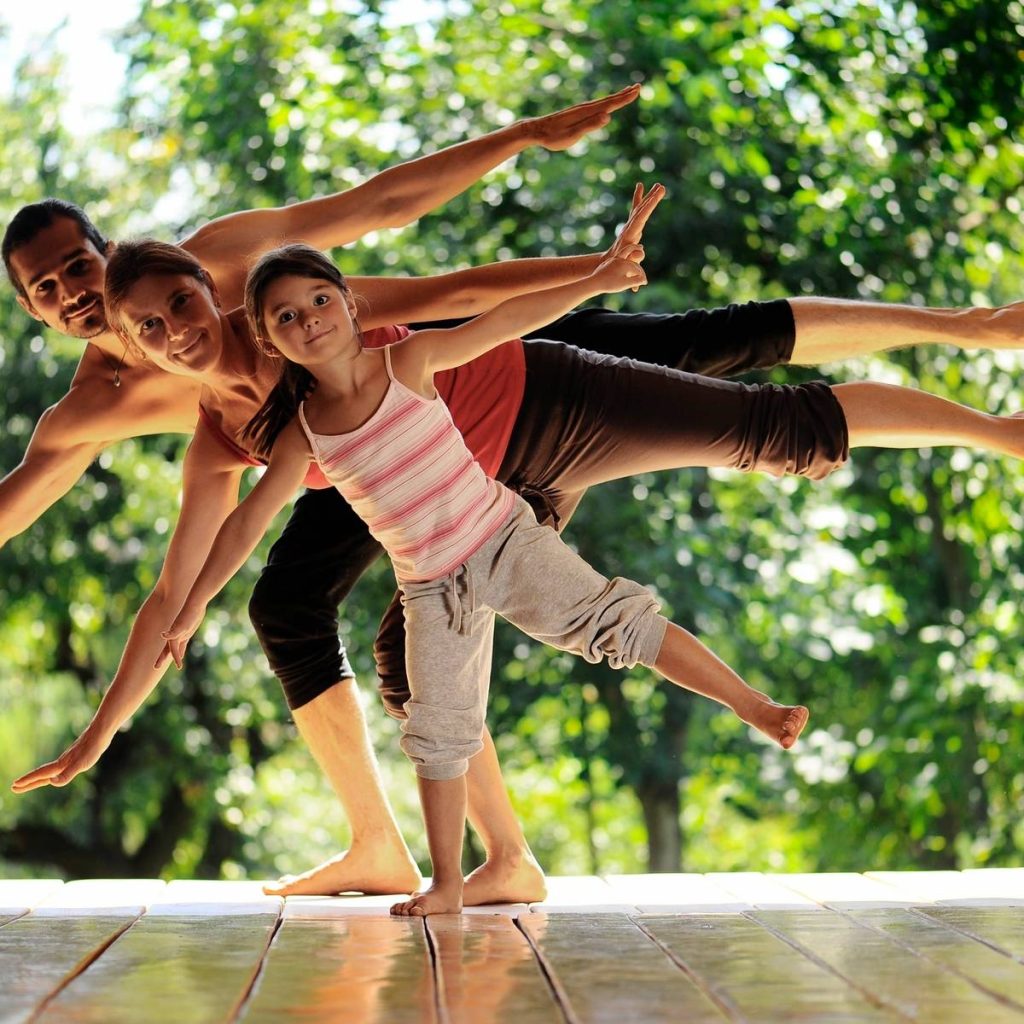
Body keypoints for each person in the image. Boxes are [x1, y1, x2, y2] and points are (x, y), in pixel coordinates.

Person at [10, 192, 1024, 908]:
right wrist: (100, 733)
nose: (176, 329)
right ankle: (503, 861)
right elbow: (185, 580)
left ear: (212, 288)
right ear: (127, 346)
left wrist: (592, 268)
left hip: (548, 403)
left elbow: (470, 293)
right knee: (412, 672)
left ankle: (993, 426)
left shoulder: (317, 321)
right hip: (492, 495)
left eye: (185, 303)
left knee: (770, 425)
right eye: (149, 327)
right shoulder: (246, 433)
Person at [156, 239, 811, 917]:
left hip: (504, 540)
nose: (310, 319)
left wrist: (600, 276)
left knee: (619, 625)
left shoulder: (407, 360)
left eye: (320, 300)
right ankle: (446, 883)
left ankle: (752, 705)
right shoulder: (301, 435)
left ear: (350, 305)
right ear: (268, 339)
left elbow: (507, 320)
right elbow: (246, 523)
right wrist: (192, 606)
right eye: (286, 317)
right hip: (431, 589)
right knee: (436, 733)